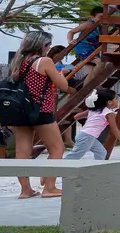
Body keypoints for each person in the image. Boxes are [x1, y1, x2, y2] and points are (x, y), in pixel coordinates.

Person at [5, 31, 73, 199]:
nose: (49, 48)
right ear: (42, 45)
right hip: (41, 110)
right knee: (57, 148)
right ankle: (49, 187)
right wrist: (60, 74)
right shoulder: (44, 61)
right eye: (48, 45)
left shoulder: (17, 62)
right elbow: (63, 86)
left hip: (20, 111)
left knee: (22, 151)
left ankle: (25, 190)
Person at [65, 87, 120, 160]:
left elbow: (76, 116)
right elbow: (114, 129)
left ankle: (99, 166)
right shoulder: (109, 114)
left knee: (101, 152)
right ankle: (59, 166)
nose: (117, 101)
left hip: (86, 135)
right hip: (87, 137)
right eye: (116, 99)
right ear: (109, 102)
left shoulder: (93, 110)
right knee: (74, 156)